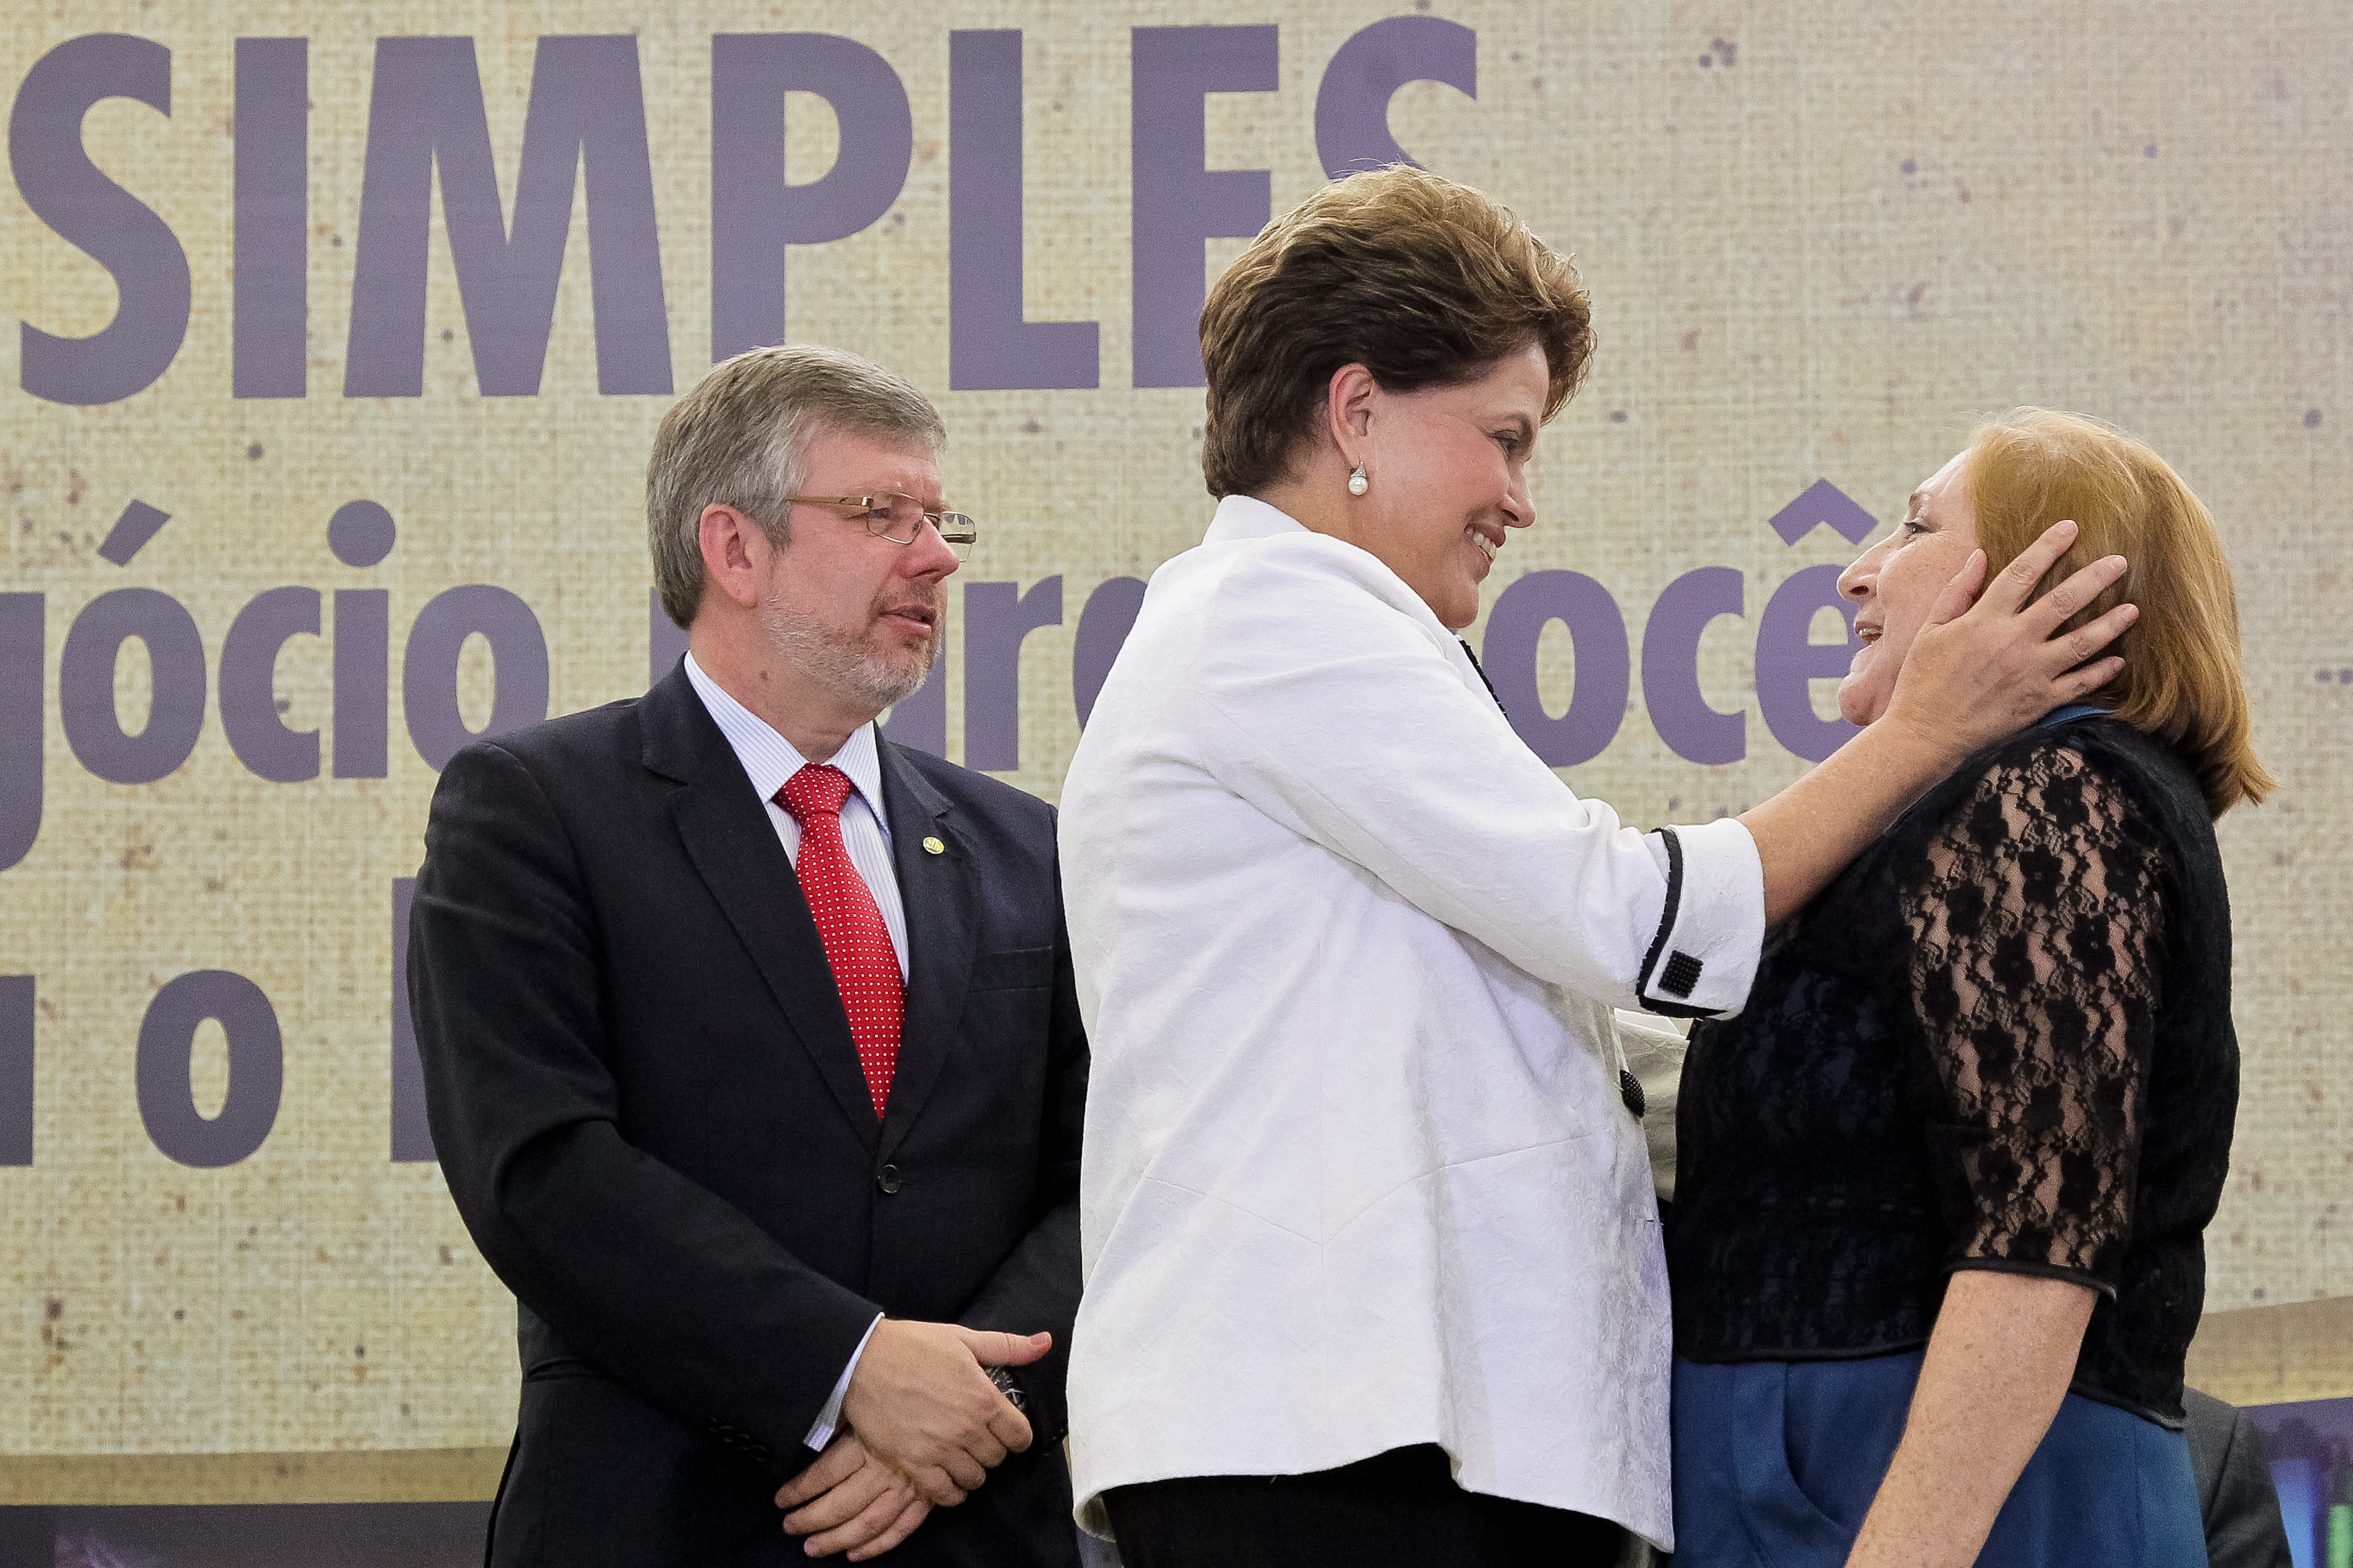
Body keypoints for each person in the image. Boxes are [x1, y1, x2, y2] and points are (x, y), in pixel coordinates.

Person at [1056, 166, 2136, 1567]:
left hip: (1392, 1435)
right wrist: (1924, 731)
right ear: (1356, 408)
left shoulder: (1324, 632)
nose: (1521, 498)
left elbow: (1567, 1007)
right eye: (1503, 438)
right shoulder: (1275, 617)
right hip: (1334, 1441)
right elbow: (1629, 917)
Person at [409, 346, 1089, 1567]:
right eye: (881, 513)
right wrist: (848, 1366)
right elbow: (542, 1166)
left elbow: (1109, 1170)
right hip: (666, 1522)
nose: (934, 555)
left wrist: (975, 1410)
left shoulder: (1023, 844)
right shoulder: (535, 809)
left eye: (941, 520)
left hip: (972, 1525)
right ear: (733, 549)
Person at [1666, 409, 2271, 1567]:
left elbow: (2036, 1251)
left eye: (1914, 523)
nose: (1856, 569)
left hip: (1945, 1505)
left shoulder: (2057, 797)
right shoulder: (1978, 807)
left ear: (2048, 580)